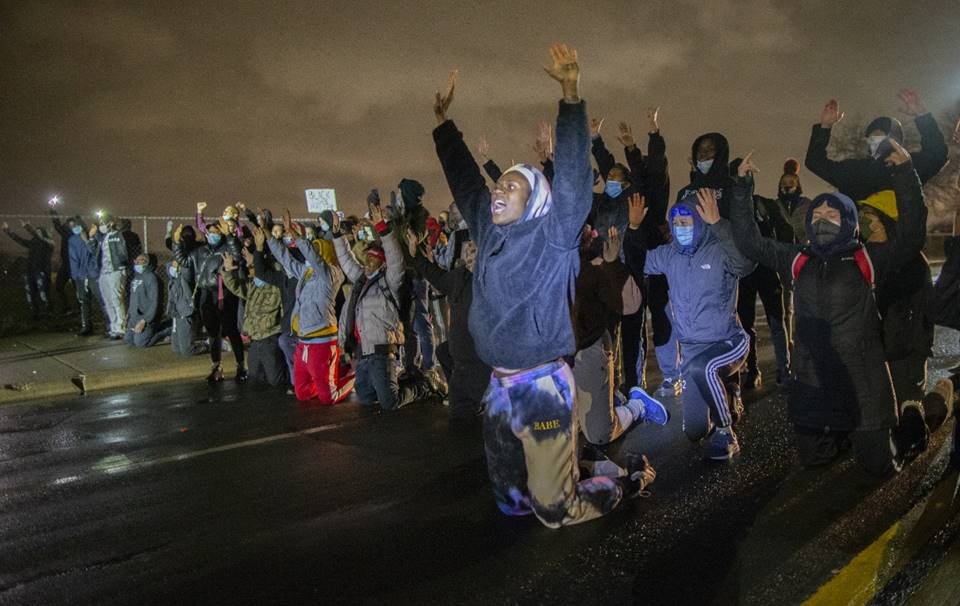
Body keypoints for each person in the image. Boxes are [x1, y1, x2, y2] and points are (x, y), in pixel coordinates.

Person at [432, 44, 655, 529]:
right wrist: (444, 125)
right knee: (512, 504)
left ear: (536, 202)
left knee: (554, 512)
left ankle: (624, 481)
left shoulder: (554, 236)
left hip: (542, 389)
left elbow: (574, 179)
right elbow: (467, 182)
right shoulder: (488, 232)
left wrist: (571, 97)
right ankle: (577, 467)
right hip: (499, 386)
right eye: (501, 184)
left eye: (512, 186)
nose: (498, 190)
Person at [729, 146, 951, 476]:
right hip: (814, 380)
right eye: (817, 216)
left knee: (882, 467)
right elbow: (750, 242)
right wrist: (740, 186)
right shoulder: (798, 259)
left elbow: (911, 233)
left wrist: (905, 172)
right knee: (815, 460)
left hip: (862, 380)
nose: (822, 220)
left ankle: (928, 411)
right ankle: (846, 434)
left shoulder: (867, 259)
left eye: (832, 215)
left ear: (849, 222)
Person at [807, 94, 946, 418]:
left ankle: (913, 400)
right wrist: (823, 128)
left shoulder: (906, 165)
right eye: (871, 140)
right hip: (869, 266)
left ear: (896, 142)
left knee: (908, 335)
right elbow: (817, 162)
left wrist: (922, 116)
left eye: (882, 139)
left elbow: (938, 153)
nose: (875, 145)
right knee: (869, 335)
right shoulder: (857, 172)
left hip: (906, 263)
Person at [625, 186, 755, 460]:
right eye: (676, 223)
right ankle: (718, 403)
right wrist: (634, 229)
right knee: (694, 431)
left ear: (700, 221)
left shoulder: (719, 249)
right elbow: (637, 263)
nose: (680, 228)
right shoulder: (670, 254)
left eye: (686, 222)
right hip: (693, 347)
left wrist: (717, 224)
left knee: (703, 367)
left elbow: (744, 264)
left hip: (727, 340)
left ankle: (726, 432)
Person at [572, 224, 668, 447]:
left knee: (599, 434)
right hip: (555, 356)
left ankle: (637, 406)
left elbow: (630, 305)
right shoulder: (538, 256)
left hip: (587, 349)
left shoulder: (594, 264)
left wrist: (612, 265)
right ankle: (609, 399)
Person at [334, 207, 439, 410]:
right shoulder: (361, 280)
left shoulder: (389, 281)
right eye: (367, 258)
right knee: (365, 397)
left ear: (382, 263)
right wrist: (338, 236)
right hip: (363, 352)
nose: (368, 262)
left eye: (373, 259)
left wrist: (382, 228)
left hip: (382, 351)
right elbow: (347, 261)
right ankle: (397, 381)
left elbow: (396, 259)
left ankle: (423, 386)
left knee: (390, 402)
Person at [407, 229, 489, 427]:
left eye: (474, 253)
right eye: (468, 253)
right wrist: (416, 255)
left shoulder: (490, 282)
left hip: (481, 361)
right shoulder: (459, 278)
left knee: (488, 420)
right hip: (461, 359)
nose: (470, 257)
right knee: (458, 418)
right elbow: (436, 276)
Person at [268, 217, 352, 403]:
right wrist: (269, 237)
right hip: (303, 341)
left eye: (315, 250)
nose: (309, 255)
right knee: (303, 393)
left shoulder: (331, 274)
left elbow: (316, 260)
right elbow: (286, 260)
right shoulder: (307, 274)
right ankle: (333, 375)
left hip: (322, 341)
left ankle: (357, 374)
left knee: (328, 398)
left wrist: (298, 237)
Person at [729, 157, 794, 388]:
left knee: (777, 321)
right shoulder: (729, 207)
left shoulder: (766, 204)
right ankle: (752, 368)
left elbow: (787, 232)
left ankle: (784, 370)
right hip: (744, 273)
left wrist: (781, 260)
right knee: (746, 324)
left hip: (767, 269)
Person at [173, 221, 246, 383]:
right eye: (211, 232)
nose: (214, 234)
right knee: (213, 332)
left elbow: (237, 256)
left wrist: (230, 236)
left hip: (224, 294)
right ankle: (215, 366)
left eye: (217, 232)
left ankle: (240, 365)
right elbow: (184, 261)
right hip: (206, 295)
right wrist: (176, 243)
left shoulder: (226, 249)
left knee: (231, 330)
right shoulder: (199, 252)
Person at [221, 248, 286, 387]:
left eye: (252, 267)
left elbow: (278, 267)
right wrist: (227, 271)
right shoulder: (254, 286)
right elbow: (236, 286)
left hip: (270, 336)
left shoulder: (275, 285)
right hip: (255, 339)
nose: (250, 270)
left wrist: (257, 257)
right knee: (255, 379)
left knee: (276, 379)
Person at [2, 220, 54, 319]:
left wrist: (27, 227)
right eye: (36, 232)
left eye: (39, 232)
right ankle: (35, 313)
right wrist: (7, 231)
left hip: (41, 271)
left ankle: (48, 313)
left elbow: (40, 237)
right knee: (30, 294)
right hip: (30, 271)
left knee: (43, 293)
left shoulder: (48, 243)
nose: (37, 233)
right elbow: (20, 240)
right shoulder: (33, 243)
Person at [88, 216, 129, 338]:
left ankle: (121, 327)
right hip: (103, 273)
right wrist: (91, 237)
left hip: (116, 271)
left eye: (104, 223)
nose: (102, 226)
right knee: (108, 301)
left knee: (116, 299)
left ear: (111, 223)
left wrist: (123, 267)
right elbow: (93, 251)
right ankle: (113, 326)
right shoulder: (101, 238)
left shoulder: (118, 235)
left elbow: (123, 252)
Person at [67, 219, 101, 336]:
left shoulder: (91, 235)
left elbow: (94, 252)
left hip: (93, 273)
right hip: (81, 275)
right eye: (71, 227)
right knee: (83, 301)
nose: (74, 228)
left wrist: (87, 240)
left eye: (76, 225)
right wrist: (75, 276)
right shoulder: (72, 240)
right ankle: (86, 326)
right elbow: (73, 259)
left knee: (101, 299)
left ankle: (110, 325)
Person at [124, 254, 161, 348]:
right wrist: (128, 315)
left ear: (146, 262)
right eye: (136, 260)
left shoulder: (151, 278)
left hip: (145, 318)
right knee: (128, 340)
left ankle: (162, 331)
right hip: (134, 318)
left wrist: (145, 320)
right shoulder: (136, 278)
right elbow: (133, 299)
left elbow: (154, 302)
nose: (136, 262)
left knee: (140, 343)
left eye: (140, 260)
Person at [164, 258, 198, 356]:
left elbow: (186, 273)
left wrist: (180, 266)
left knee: (187, 351)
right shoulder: (171, 270)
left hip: (185, 309)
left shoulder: (186, 269)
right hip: (176, 310)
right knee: (176, 348)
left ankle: (209, 344)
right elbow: (169, 269)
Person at [49, 209, 79, 314]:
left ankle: (81, 309)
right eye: (68, 224)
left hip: (75, 265)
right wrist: (53, 211)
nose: (69, 226)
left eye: (72, 224)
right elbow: (57, 225)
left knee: (78, 289)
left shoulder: (79, 235)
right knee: (59, 285)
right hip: (66, 265)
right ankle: (67, 307)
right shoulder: (66, 234)